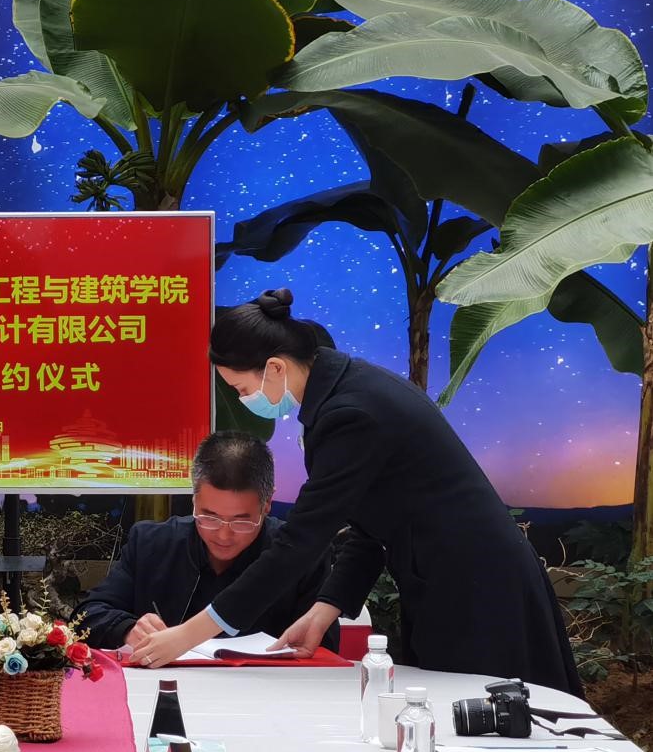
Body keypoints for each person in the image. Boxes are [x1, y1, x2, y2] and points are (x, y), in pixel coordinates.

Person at [130, 289, 583, 697]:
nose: (245, 398)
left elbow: (299, 543)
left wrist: (188, 636)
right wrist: (324, 609)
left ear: (275, 368)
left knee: (492, 721)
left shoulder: (350, 413)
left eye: (242, 388)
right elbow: (371, 525)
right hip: (453, 581)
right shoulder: (346, 390)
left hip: (477, 589)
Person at [74, 431, 338, 653]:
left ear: (267, 504)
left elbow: (323, 648)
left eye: (241, 522)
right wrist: (128, 628)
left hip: (269, 692)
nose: (223, 535)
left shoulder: (301, 555)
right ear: (194, 498)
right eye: (209, 517)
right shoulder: (151, 544)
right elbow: (87, 615)